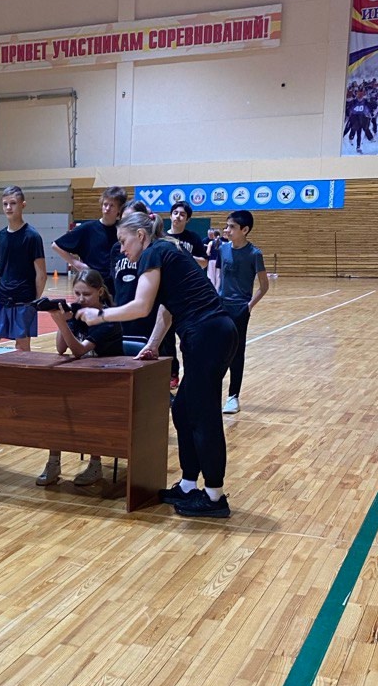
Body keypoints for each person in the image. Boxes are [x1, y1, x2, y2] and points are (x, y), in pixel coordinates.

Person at [78, 207, 238, 518]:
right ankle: (189, 485)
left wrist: (100, 315)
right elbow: (166, 307)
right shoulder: (165, 250)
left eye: (124, 241)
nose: (121, 249)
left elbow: (141, 306)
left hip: (208, 335)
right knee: (182, 409)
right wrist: (152, 345)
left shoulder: (154, 252)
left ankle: (215, 496)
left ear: (141, 235)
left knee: (203, 416)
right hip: (209, 334)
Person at [36, 270, 124, 489]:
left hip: (109, 382)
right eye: (77, 294)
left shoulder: (108, 319)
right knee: (55, 407)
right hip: (82, 376)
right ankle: (53, 463)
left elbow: (78, 350)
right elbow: (61, 348)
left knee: (91, 414)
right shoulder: (78, 312)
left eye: (86, 294)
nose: (81, 299)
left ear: (100, 292)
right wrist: (64, 318)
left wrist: (61, 323)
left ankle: (95, 464)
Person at [0, 185, 47, 351]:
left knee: (22, 349)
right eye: (5, 204)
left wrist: (33, 302)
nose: (8, 207)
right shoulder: (0, 236)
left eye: (13, 203)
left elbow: (41, 274)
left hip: (23, 301)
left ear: (22, 205)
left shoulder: (32, 236)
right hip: (1, 298)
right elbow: (4, 269)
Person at [219, 210, 269, 415]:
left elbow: (264, 286)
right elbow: (217, 276)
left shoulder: (254, 254)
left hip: (239, 309)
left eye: (232, 227)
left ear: (245, 230)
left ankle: (233, 396)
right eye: (227, 226)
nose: (227, 230)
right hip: (221, 306)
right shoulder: (222, 249)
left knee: (236, 353)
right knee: (217, 350)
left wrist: (248, 306)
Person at [161, 200, 208, 388]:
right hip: (167, 293)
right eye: (176, 213)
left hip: (188, 296)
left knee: (188, 337)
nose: (178, 217)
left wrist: (183, 255)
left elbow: (204, 262)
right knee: (166, 339)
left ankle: (192, 374)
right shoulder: (163, 237)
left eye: (182, 214)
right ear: (170, 215)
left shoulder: (193, 238)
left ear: (187, 219)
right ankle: (172, 373)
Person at [109, 199, 163, 355]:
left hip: (150, 316)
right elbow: (115, 283)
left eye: (131, 219)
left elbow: (149, 304)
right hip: (125, 313)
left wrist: (100, 316)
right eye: (124, 220)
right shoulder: (119, 249)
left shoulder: (155, 251)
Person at [52, 186, 125, 293]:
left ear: (119, 209)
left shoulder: (123, 229)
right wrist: (77, 264)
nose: (107, 208)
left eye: (112, 205)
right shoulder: (87, 228)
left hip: (117, 285)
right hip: (93, 284)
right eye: (105, 204)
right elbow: (56, 245)